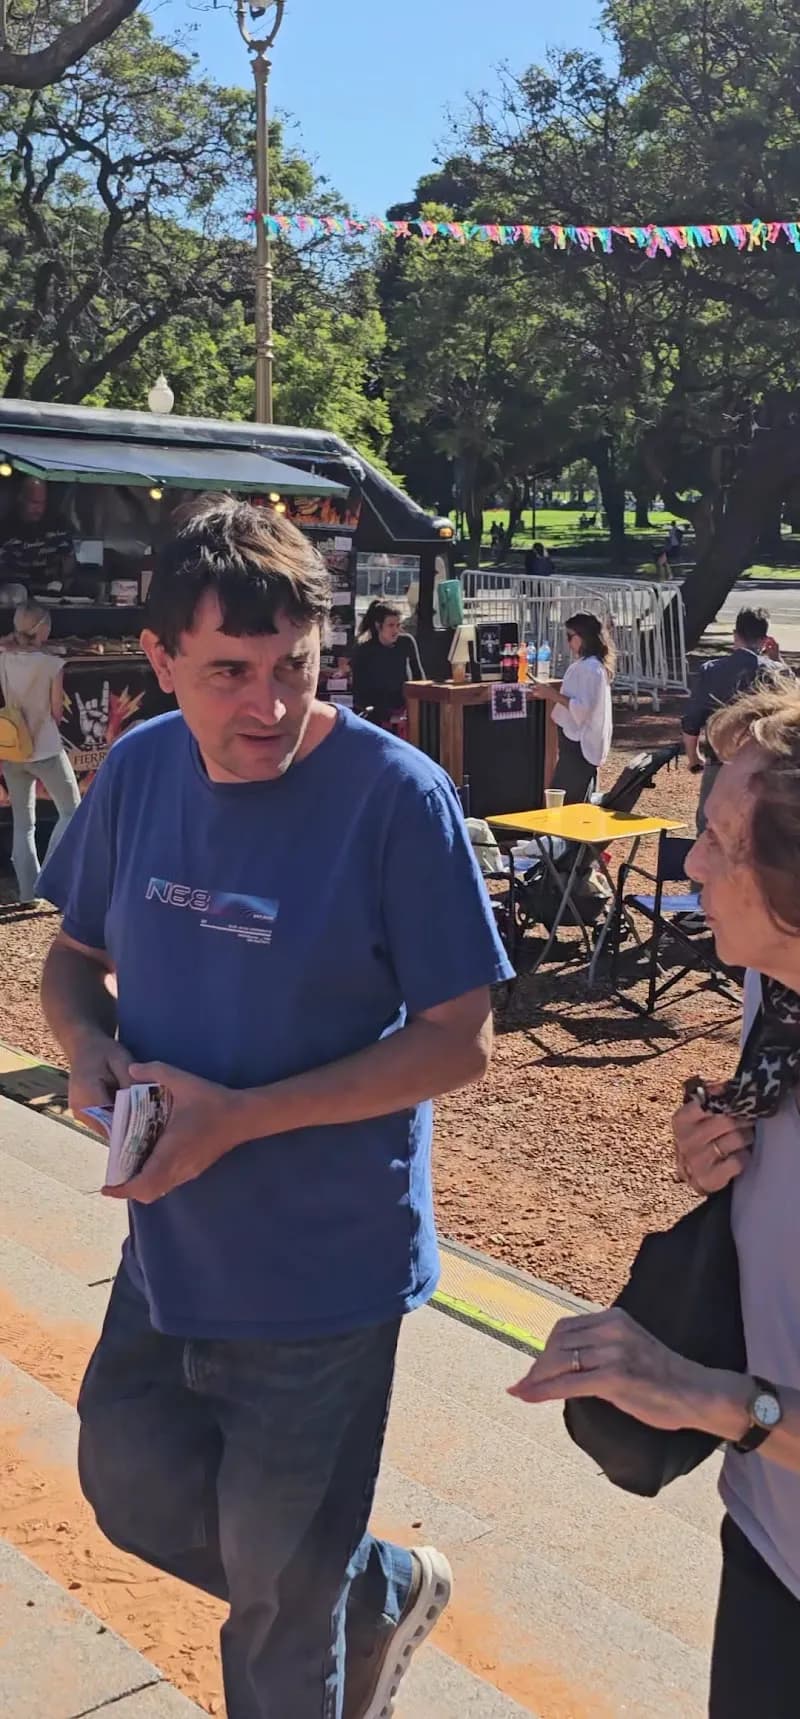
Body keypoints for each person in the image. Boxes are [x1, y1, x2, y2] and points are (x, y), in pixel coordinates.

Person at [37, 496, 513, 1719]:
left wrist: (241, 1116)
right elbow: (69, 959)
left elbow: (459, 1043)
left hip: (323, 1279)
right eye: (228, 673)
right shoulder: (140, 765)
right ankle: (366, 1587)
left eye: (295, 667)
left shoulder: (396, 799)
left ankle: (317, 1602)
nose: (269, 705)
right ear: (158, 661)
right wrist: (88, 1051)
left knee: (273, 1628)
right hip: (167, 1249)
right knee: (127, 1488)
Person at [508, 676, 800, 1718]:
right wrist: (713, 1154)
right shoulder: (774, 986)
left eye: (720, 840)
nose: (690, 863)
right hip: (769, 1533)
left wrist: (704, 1398)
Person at [0, 601, 80, 904]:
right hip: (45, 748)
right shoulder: (52, 665)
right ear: (42, 629)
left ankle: (26, 894)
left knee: (23, 824)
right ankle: (48, 879)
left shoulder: (4, 658)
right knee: (72, 811)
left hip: (13, 749)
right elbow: (57, 713)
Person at [682, 606, 774, 833]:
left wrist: (694, 757)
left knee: (709, 825)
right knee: (756, 830)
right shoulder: (777, 672)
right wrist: (776, 660)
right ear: (765, 640)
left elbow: (692, 720)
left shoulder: (712, 670)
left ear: (735, 635)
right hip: (762, 763)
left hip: (721, 759)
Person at [533, 612, 615, 802]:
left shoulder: (590, 668)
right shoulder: (589, 666)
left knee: (565, 798)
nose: (568, 642)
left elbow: (583, 708)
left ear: (583, 637)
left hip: (579, 743)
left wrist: (551, 694)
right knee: (573, 795)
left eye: (570, 637)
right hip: (576, 741)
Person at [351, 598, 424, 726]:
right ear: (378, 626)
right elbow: (360, 696)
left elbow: (420, 680)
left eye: (398, 625)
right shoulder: (364, 651)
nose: (395, 630)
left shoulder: (406, 642)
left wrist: (414, 711)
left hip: (407, 712)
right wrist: (389, 718)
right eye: (390, 625)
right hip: (377, 717)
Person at [0, 477, 74, 593]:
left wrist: (62, 577)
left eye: (42, 503)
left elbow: (68, 560)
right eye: (34, 502)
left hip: (55, 594)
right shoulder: (5, 529)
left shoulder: (58, 524)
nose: (38, 509)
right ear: (21, 498)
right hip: (18, 595)